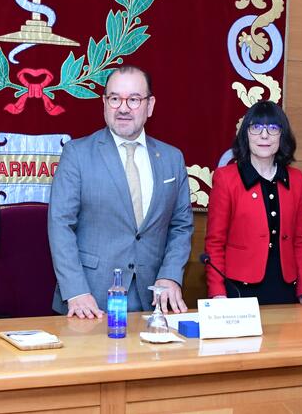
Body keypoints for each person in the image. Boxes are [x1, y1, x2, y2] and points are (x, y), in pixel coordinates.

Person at [48, 65, 193, 318]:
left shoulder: (172, 158)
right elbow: (60, 224)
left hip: (153, 300)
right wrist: (75, 291)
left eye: (134, 99)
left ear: (150, 105)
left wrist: (170, 276)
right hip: (90, 301)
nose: (123, 108)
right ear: (104, 103)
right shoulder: (77, 154)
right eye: (115, 98)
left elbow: (181, 226)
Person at [204, 101, 302, 306]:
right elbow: (215, 243)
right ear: (245, 134)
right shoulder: (226, 178)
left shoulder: (296, 179)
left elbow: (300, 240)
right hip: (238, 288)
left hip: (284, 287)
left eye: (273, 128)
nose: (264, 135)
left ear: (282, 135)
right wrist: (217, 293)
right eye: (256, 127)